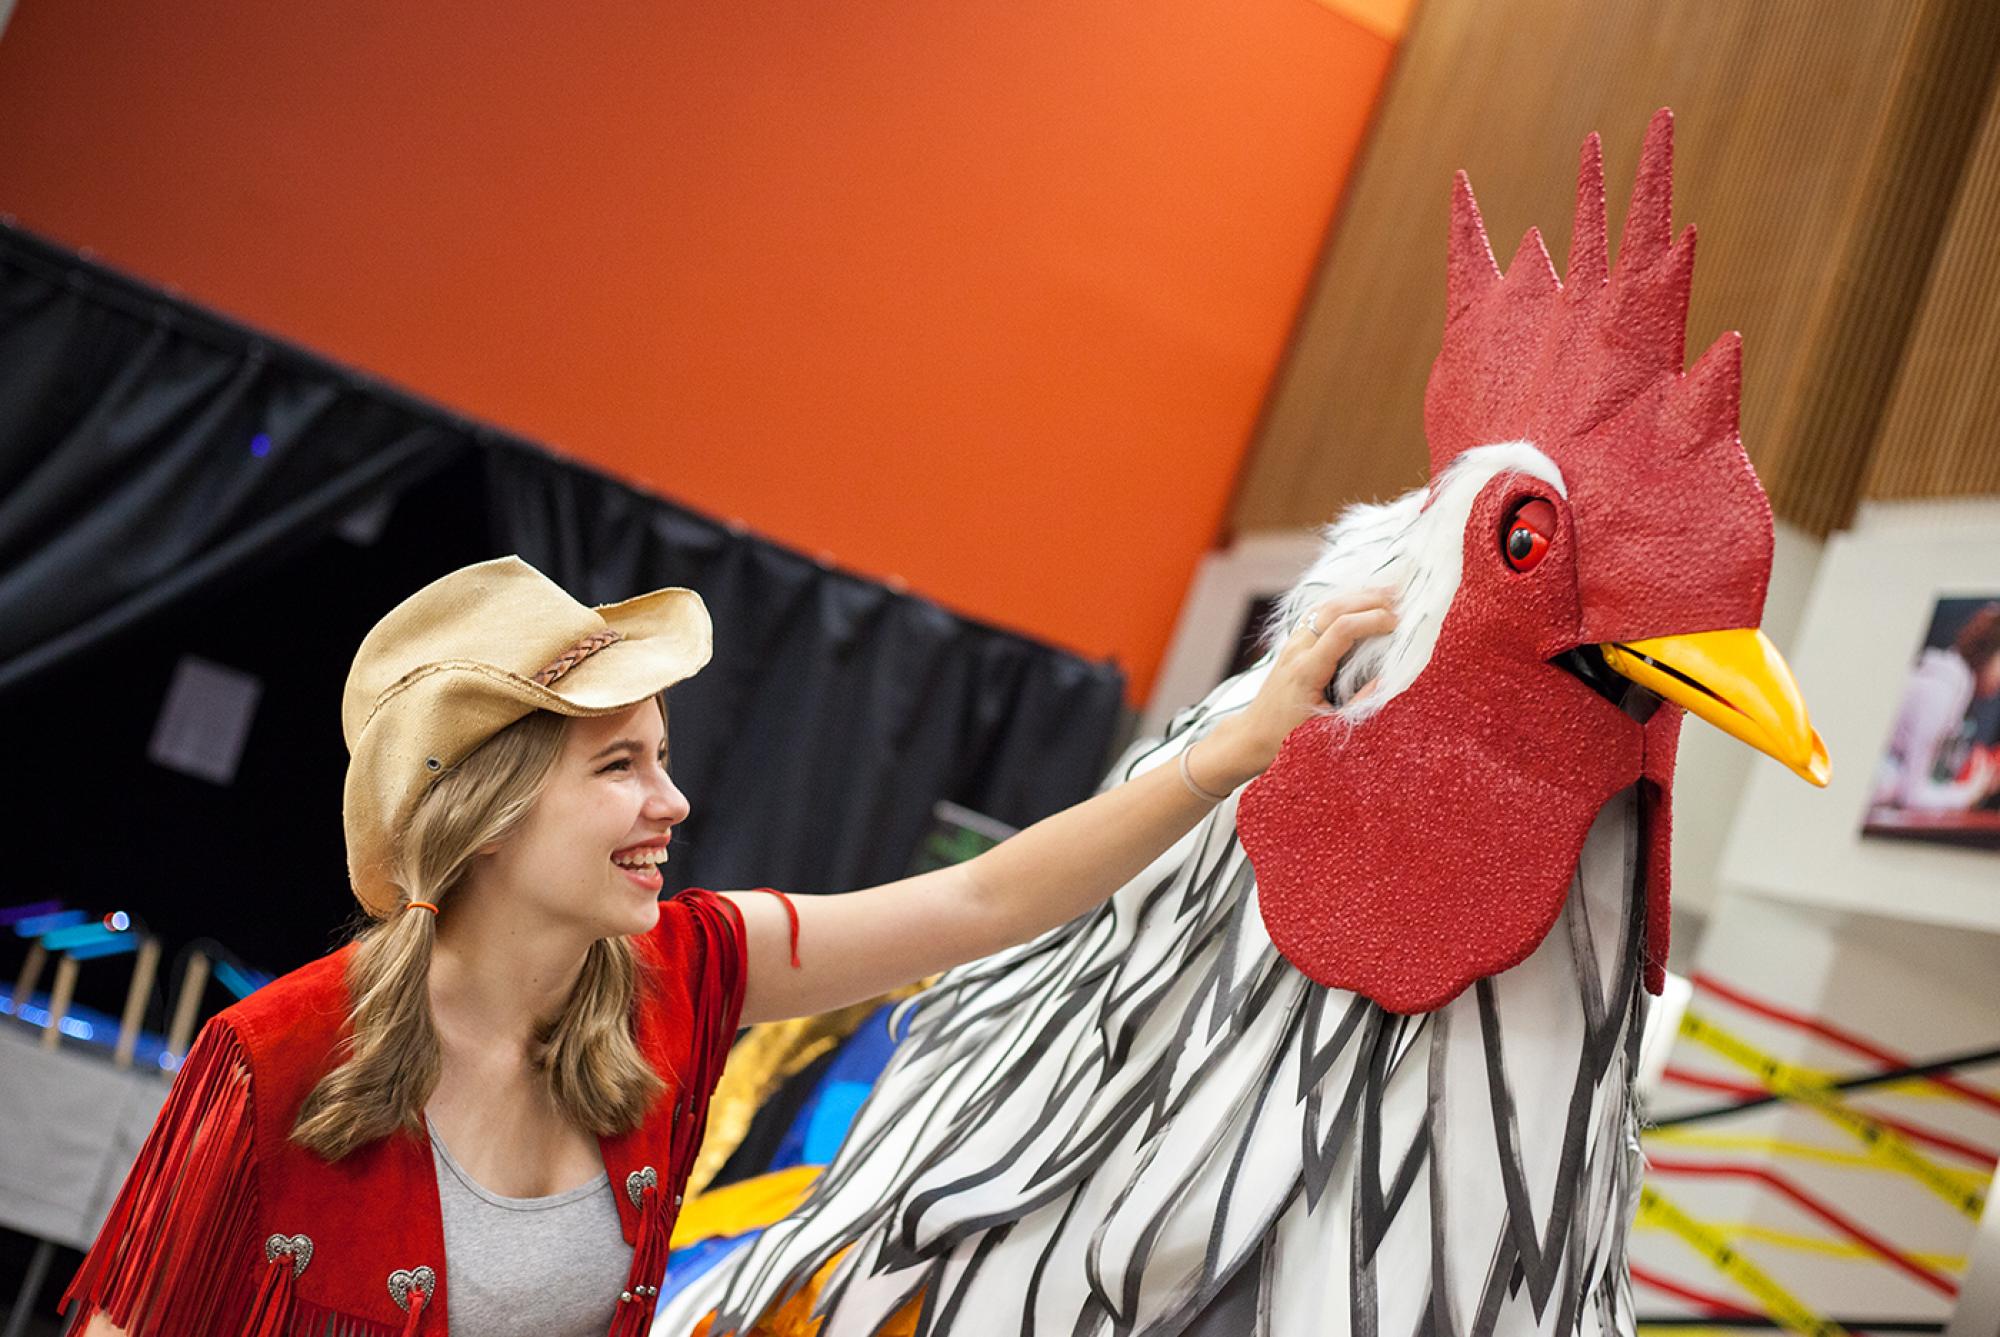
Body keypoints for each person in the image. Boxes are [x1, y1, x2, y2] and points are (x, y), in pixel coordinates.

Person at [60, 555, 1393, 1337]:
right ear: (491, 803)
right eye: (621, 765)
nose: (671, 803)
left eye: (669, 758)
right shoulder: (273, 1059)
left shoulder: (686, 975)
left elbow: (983, 903)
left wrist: (1231, 749)